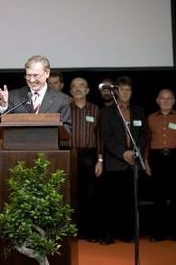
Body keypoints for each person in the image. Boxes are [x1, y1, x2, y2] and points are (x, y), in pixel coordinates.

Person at [99, 76, 147, 245]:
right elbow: (107, 137)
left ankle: (128, 234)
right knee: (111, 202)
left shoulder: (139, 111)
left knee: (130, 202)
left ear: (132, 92)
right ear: (117, 91)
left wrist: (134, 151)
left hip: (133, 163)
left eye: (128, 90)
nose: (125, 93)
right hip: (115, 163)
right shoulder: (107, 111)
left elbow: (143, 135)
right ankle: (109, 235)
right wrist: (123, 153)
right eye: (122, 90)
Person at [144, 89, 176, 242]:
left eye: (169, 98)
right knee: (158, 198)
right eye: (163, 98)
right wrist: (145, 161)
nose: (165, 101)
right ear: (157, 100)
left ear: (173, 101)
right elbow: (146, 142)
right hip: (156, 159)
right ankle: (159, 233)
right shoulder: (150, 118)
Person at [68, 77, 103, 243]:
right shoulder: (64, 109)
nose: (78, 89)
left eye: (82, 85)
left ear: (88, 90)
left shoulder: (96, 110)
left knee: (90, 195)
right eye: (74, 86)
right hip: (68, 156)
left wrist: (100, 160)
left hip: (90, 157)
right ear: (70, 91)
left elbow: (100, 136)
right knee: (70, 196)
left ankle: (90, 231)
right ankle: (73, 231)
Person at [0, 55, 71, 132]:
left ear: (47, 73)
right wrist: (3, 105)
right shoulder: (14, 96)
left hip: (47, 143)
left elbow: (67, 129)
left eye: (36, 76)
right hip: (19, 143)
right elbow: (3, 123)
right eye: (28, 76)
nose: (32, 80)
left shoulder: (61, 99)